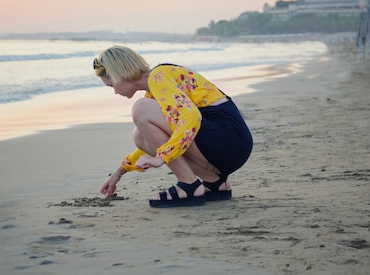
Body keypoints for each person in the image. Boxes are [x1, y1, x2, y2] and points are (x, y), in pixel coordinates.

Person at [94, 46, 253, 208]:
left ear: (120, 74)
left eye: (111, 85)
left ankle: (189, 185)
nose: (114, 91)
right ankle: (215, 183)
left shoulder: (158, 77)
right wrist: (118, 173)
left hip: (228, 140)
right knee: (140, 136)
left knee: (141, 109)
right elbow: (155, 138)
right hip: (232, 145)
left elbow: (191, 116)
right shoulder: (156, 85)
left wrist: (162, 157)